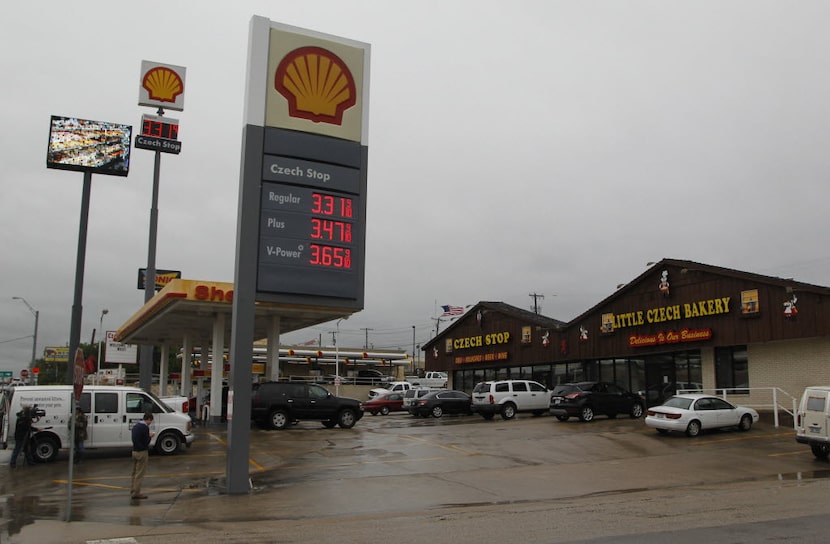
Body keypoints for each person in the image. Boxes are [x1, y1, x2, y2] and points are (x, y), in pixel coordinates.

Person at [130, 412, 154, 500]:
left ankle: (132, 489)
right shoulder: (145, 428)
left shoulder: (136, 426)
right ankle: (136, 492)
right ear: (148, 419)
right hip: (142, 452)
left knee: (134, 472)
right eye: (150, 421)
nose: (150, 423)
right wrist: (150, 436)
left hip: (134, 451)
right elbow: (146, 441)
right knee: (140, 473)